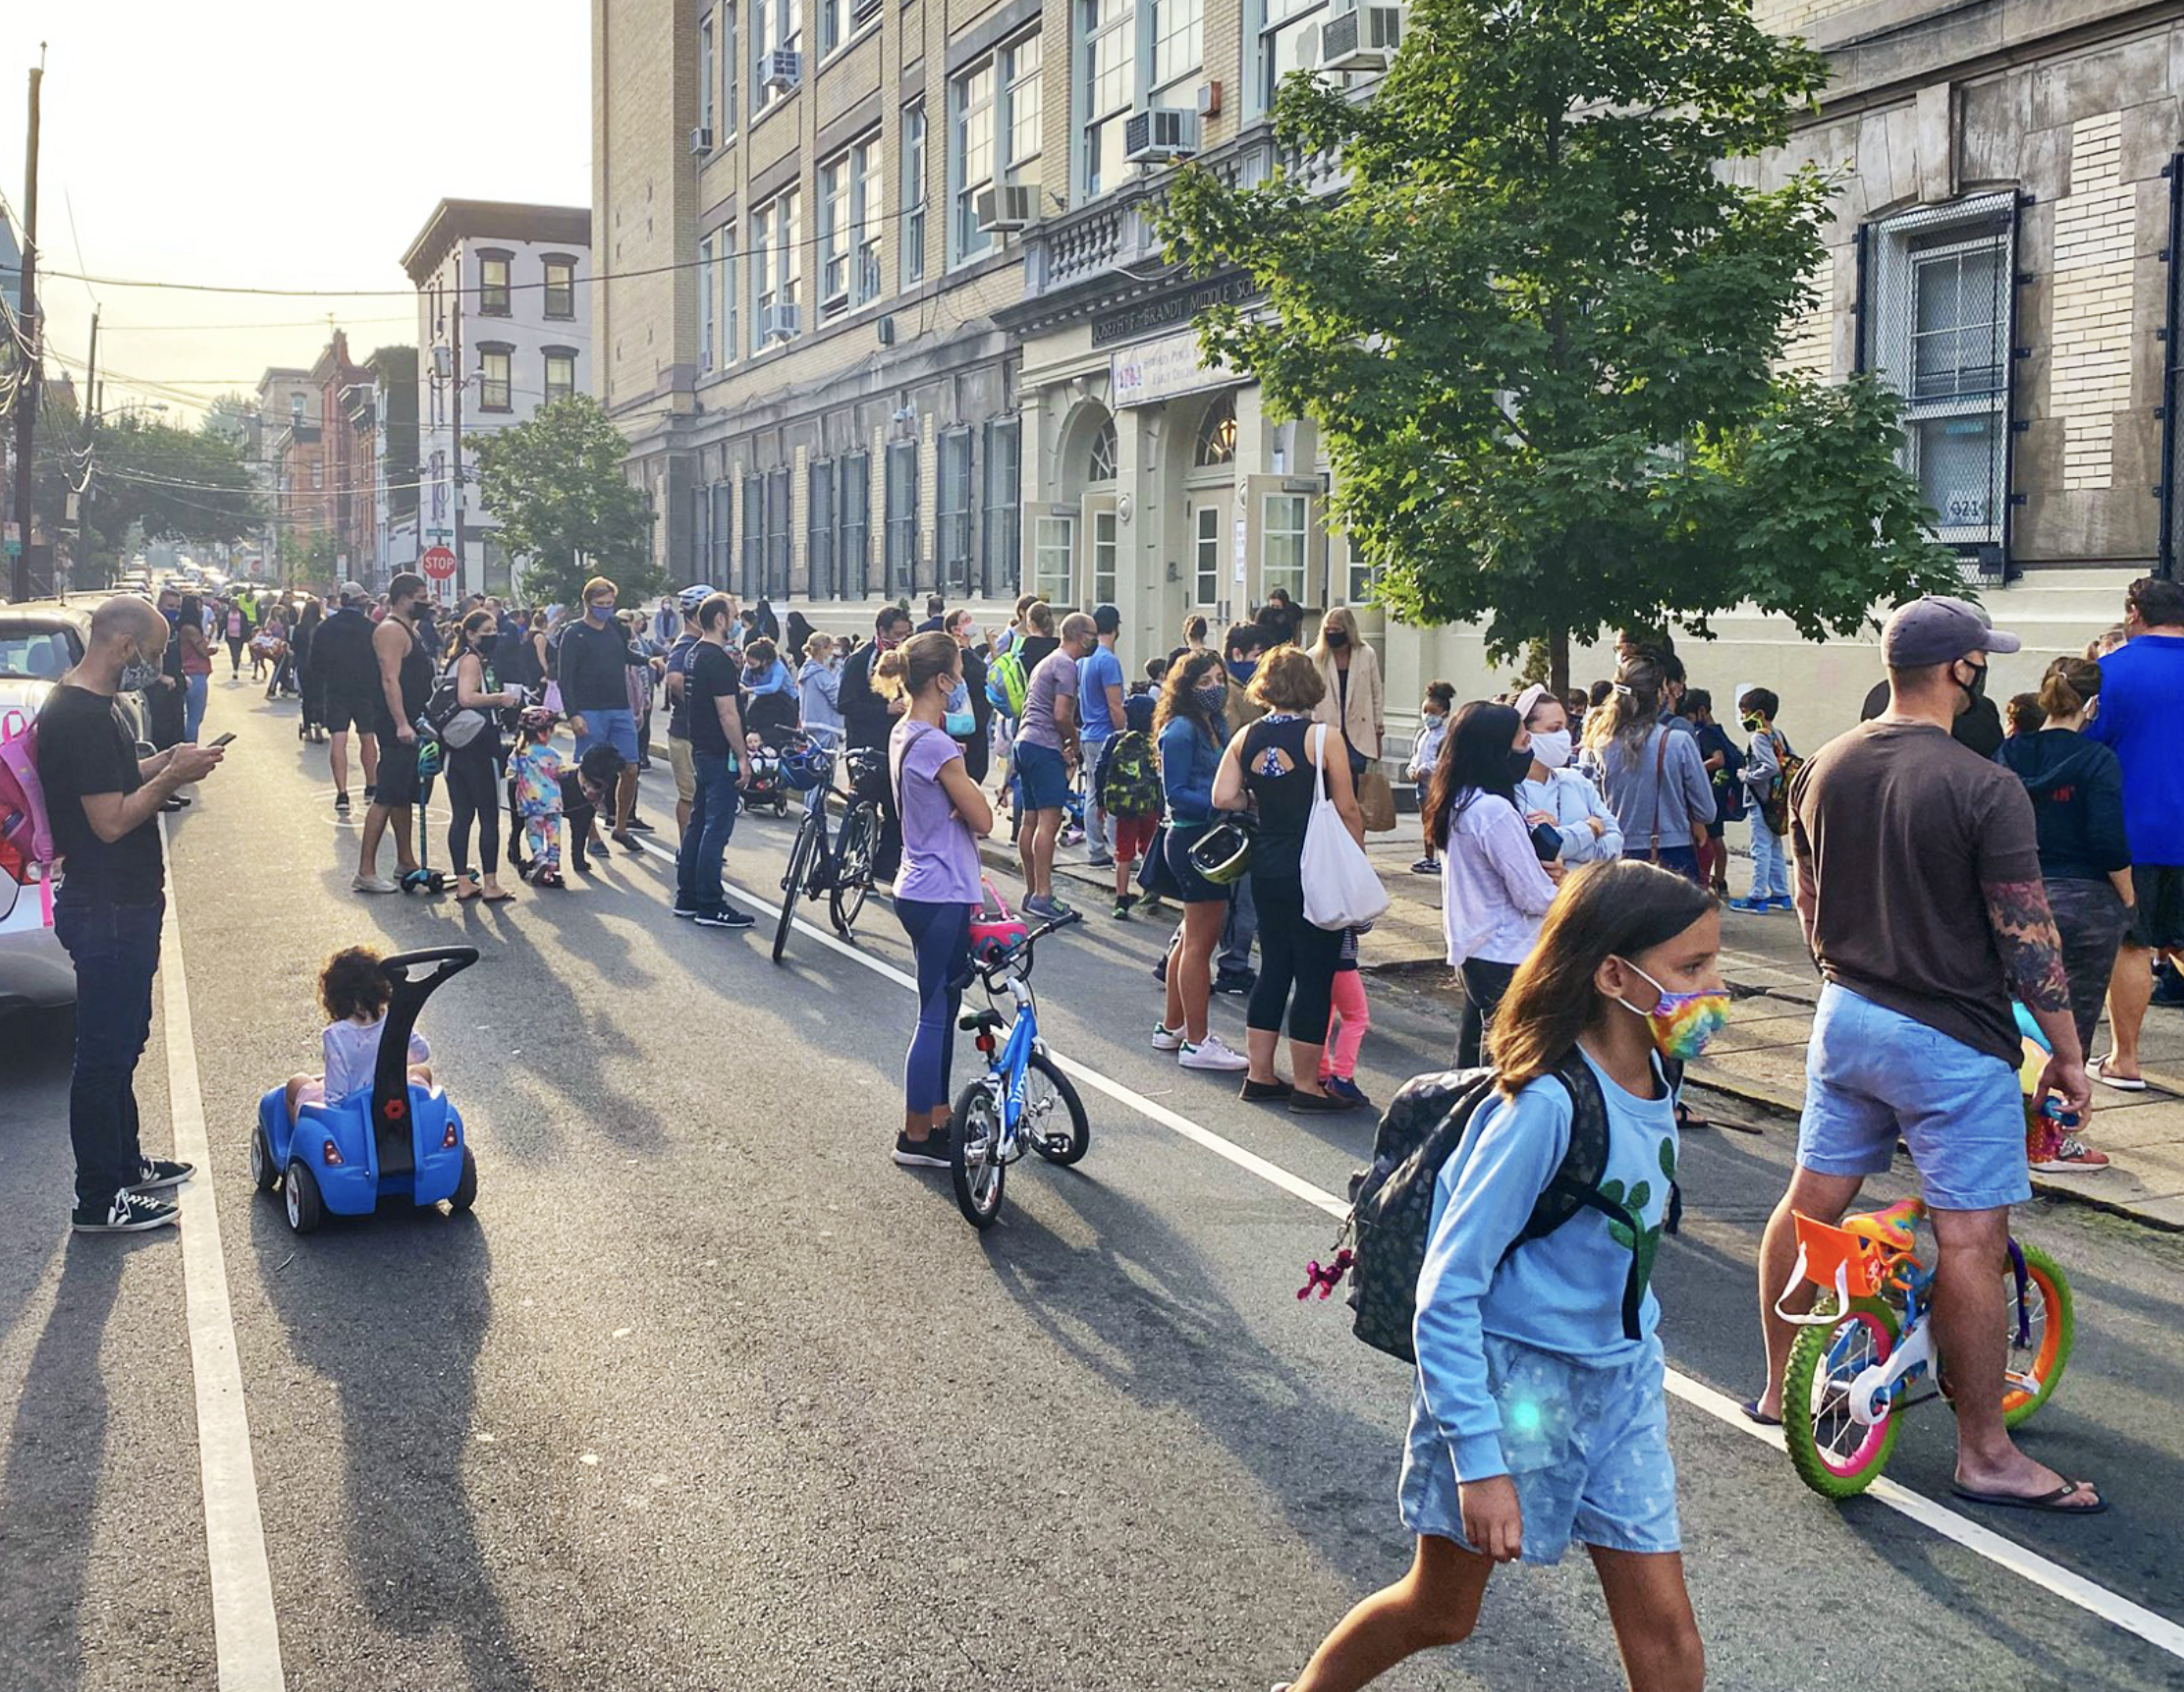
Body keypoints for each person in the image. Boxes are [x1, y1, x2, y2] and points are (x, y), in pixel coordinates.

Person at [1276, 861, 1715, 1692]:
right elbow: (1447, 1293)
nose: (1715, 988)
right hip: (1512, 1387)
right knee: (1441, 1609)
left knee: (1668, 1639)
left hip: (1619, 1385)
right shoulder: (1542, 1106)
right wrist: (1479, 1460)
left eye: (1713, 962)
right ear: (1614, 975)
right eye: (1692, 969)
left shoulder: (1663, 1073)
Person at [1752, 595, 2102, 1514]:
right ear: (1963, 670)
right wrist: (2068, 1054)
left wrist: (1845, 972)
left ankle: (1781, 1388)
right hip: (1950, 1037)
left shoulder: (1823, 765)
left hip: (1847, 1012)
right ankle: (1985, 1451)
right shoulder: (1986, 786)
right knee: (1971, 1239)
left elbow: (1806, 899)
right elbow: (2029, 936)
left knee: (1812, 1199)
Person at [36, 594, 226, 1234]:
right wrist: (174, 778)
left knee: (125, 1042)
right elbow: (111, 819)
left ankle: (125, 1164)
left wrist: (169, 760)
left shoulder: (97, 706)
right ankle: (99, 1198)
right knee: (103, 1054)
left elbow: (118, 779)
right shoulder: (81, 715)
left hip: (124, 901)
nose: (154, 664)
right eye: (151, 651)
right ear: (123, 645)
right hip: (107, 903)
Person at [1211, 644, 1367, 1112]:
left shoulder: (1246, 736)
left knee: (1275, 966)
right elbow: (1348, 807)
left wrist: (1254, 803)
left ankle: (1259, 1075)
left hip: (1269, 861)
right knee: (1315, 974)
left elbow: (1223, 796)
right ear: (1310, 686)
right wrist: (1356, 857)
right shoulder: (1324, 738)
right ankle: (1306, 1085)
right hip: (1314, 863)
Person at [1994, 656, 2129, 1172]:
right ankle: (2051, 1138)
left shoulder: (2007, 753)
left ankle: (2003, 1121)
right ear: (2091, 705)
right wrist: (2129, 896)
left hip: (2016, 893)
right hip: (2084, 899)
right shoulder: (2097, 761)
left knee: (2010, 1013)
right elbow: (2107, 838)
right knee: (2071, 1024)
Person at [882, 629, 995, 1168]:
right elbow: (986, 819)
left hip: (917, 882)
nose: (964, 679)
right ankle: (915, 1135)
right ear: (942, 680)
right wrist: (962, 793)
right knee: (932, 1013)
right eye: (959, 670)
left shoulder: (906, 732)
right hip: (942, 889)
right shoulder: (937, 745)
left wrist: (956, 794)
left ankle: (939, 1117)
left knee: (944, 1005)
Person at [2086, 574, 2184, 1092]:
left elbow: (2092, 749)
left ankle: (2126, 1060)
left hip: (2135, 830)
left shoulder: (2110, 673)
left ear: (2133, 612)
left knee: (2132, 945)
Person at [1437, 701, 1559, 1068]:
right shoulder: (1493, 810)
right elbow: (1533, 896)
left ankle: (1460, 1122)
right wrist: (1567, 888)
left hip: (1474, 947)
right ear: (1497, 751)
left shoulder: (1458, 799)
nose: (1529, 751)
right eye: (1524, 743)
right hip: (1506, 951)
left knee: (1470, 1062)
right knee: (1505, 1066)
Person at [1151, 651, 1249, 1073]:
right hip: (1194, 838)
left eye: (1218, 679)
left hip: (1206, 836)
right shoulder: (1180, 730)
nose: (1214, 687)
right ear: (1185, 687)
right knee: (1199, 943)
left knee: (1190, 937)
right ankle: (1197, 1041)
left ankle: (1173, 1026)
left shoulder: (1214, 725)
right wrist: (1223, 803)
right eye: (1204, 682)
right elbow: (1175, 792)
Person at [1581, 659, 1714, 883]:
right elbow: (1706, 811)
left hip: (1615, 851)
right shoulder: (1678, 742)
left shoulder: (1597, 744)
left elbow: (1588, 806)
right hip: (1673, 851)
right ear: (1658, 696)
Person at [284, 945, 436, 1123]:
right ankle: (420, 1127)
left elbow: (336, 1097)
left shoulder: (336, 1035)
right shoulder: (392, 1018)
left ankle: (300, 1140)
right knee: (422, 1072)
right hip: (395, 1102)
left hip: (354, 1113)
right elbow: (422, 1052)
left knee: (295, 1083)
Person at [353, 573, 436, 895]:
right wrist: (401, 722)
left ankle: (406, 860)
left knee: (403, 794)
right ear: (403, 598)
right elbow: (390, 679)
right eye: (421, 596)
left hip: (413, 720)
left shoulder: (409, 630)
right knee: (386, 794)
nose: (426, 603)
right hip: (396, 724)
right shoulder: (390, 630)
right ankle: (366, 871)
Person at [675, 592, 754, 929]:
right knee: (715, 829)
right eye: (733, 615)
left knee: (698, 823)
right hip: (720, 752)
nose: (736, 621)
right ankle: (710, 902)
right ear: (720, 619)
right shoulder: (717, 659)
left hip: (701, 748)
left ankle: (687, 896)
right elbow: (727, 713)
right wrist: (742, 755)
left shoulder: (694, 654)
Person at [558, 575, 651, 849]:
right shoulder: (574, 634)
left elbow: (623, 655)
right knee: (589, 775)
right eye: (600, 603)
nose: (606, 608)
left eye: (610, 603)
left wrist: (648, 660)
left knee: (631, 768)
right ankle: (591, 834)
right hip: (589, 710)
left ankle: (620, 826)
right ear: (587, 602)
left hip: (619, 708)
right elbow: (566, 677)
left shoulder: (614, 627)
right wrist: (573, 713)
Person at [1016, 612, 1096, 918]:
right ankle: (1044, 894)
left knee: (1030, 820)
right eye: (1092, 634)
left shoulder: (1047, 661)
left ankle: (1031, 889)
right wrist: (1073, 743)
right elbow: (1062, 714)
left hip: (1025, 741)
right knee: (1049, 823)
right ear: (1081, 635)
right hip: (1044, 745)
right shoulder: (1065, 664)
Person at [443, 609, 524, 903]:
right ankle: (490, 883)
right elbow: (467, 697)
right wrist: (501, 698)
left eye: (494, 629)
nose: (493, 635)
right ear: (471, 634)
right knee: (488, 815)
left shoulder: (453, 659)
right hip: (479, 744)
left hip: (454, 746)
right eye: (486, 630)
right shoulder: (472, 660)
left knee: (461, 815)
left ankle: (464, 881)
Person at [1512, 683, 1622, 877]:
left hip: (1588, 895)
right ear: (1525, 733)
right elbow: (1535, 846)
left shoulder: (1575, 780)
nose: (1565, 735)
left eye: (1565, 726)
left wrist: (1563, 845)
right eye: (1554, 728)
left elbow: (1616, 843)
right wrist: (1592, 828)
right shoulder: (1512, 790)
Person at [839, 604, 915, 882]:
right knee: (863, 808)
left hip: (896, 748)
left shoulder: (905, 660)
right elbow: (844, 704)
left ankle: (884, 867)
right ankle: (858, 866)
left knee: (896, 811)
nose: (901, 641)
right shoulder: (860, 660)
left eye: (906, 634)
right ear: (881, 631)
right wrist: (884, 710)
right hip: (865, 747)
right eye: (897, 635)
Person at [315, 582, 382, 817]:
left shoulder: (325, 628)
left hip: (336, 690)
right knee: (367, 738)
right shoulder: (371, 628)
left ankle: (342, 793)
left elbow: (316, 664)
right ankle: (371, 785)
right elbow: (380, 662)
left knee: (339, 740)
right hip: (365, 691)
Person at [1728, 688, 1794, 914]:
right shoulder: (1778, 735)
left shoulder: (1758, 737)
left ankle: (1757, 896)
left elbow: (1771, 767)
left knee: (1760, 849)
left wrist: (1746, 776)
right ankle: (1781, 893)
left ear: (1758, 713)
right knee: (1774, 847)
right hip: (1776, 802)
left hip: (1760, 800)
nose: (1743, 717)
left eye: (1745, 712)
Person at [1100, 683, 1162, 919]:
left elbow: (1101, 769)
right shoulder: (1154, 742)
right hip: (1149, 804)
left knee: (1123, 851)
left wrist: (1101, 801)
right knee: (1148, 846)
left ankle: (1121, 899)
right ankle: (1151, 889)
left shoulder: (1115, 739)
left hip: (1124, 806)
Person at [1077, 604, 1128, 870]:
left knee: (1093, 793)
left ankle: (1095, 849)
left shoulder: (1085, 660)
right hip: (1106, 733)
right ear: (1115, 627)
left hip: (1088, 731)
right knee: (1113, 794)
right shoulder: (1108, 660)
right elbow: (1115, 705)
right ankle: (1118, 850)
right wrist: (1124, 732)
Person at [1309, 606, 1386, 782]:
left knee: (1356, 777)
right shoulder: (1314, 656)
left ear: (1348, 630)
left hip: (1359, 728)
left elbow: (1376, 692)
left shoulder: (1366, 654)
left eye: (1336, 630)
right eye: (1328, 629)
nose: (1331, 633)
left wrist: (1378, 726)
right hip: (1326, 725)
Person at [1680, 688, 1742, 896]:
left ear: (1701, 711)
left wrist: (1693, 768)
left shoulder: (1706, 734)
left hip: (1712, 792)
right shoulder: (1718, 730)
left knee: (1710, 839)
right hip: (1721, 791)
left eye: (1689, 716)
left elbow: (1718, 760)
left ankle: (1714, 880)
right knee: (1717, 837)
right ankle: (1720, 880)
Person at [509, 707, 573, 888]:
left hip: (531, 803)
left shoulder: (520, 753)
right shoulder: (553, 754)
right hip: (553, 803)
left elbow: (511, 774)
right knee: (554, 835)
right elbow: (562, 774)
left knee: (534, 833)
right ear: (542, 733)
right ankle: (553, 868)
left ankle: (540, 858)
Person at [663, 587, 707, 835]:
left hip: (697, 734)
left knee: (702, 797)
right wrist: (697, 706)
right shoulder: (685, 645)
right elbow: (674, 679)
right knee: (689, 796)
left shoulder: (701, 644)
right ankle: (687, 846)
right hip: (685, 733)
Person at [1317, 926, 1374, 1108]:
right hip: (1342, 957)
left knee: (1323, 1012)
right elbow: (1361, 923)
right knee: (1356, 1017)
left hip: (1314, 950)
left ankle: (1320, 1069)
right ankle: (1341, 1077)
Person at [1408, 682, 1455, 876]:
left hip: (1436, 784)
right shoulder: (1422, 734)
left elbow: (1444, 761)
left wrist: (1426, 769)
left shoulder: (1445, 736)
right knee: (1425, 820)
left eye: (1432, 712)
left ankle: (1442, 854)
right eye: (1425, 711)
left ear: (1443, 713)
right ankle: (1428, 856)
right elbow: (1415, 754)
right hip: (1421, 785)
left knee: (1437, 820)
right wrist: (1412, 768)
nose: (1428, 716)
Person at [177, 592, 214, 743]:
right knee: (195, 717)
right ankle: (189, 748)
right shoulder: (190, 629)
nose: (202, 610)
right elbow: (203, 651)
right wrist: (210, 646)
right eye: (199, 606)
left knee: (192, 716)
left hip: (191, 672)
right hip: (194, 673)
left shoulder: (183, 627)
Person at [798, 630, 845, 750]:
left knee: (813, 762)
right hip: (825, 725)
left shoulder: (805, 671)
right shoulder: (821, 674)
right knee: (825, 765)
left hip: (809, 722)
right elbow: (836, 699)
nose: (832, 653)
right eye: (830, 649)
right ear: (822, 649)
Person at [293, 597, 326, 744]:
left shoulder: (299, 628)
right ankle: (319, 722)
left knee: (306, 697)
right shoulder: (323, 626)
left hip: (304, 666)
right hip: (320, 666)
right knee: (320, 695)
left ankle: (307, 729)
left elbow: (294, 647)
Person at [223, 597, 250, 679]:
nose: (234, 605)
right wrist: (218, 634)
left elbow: (245, 625)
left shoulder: (242, 614)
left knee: (238, 653)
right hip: (230, 636)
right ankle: (235, 669)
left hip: (240, 637)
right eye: (232, 603)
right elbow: (223, 623)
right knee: (233, 653)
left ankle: (236, 666)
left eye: (236, 603)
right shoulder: (226, 613)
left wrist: (247, 636)